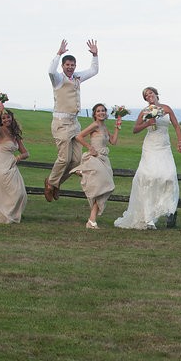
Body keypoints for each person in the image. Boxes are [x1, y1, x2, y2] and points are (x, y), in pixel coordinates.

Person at [114, 87, 181, 230]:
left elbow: (176, 125)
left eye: (150, 93)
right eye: (146, 95)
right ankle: (148, 216)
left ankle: (168, 209)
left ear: (156, 94)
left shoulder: (166, 108)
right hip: (150, 146)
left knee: (169, 176)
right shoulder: (144, 111)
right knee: (149, 177)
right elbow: (135, 129)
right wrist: (147, 123)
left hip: (164, 146)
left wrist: (180, 141)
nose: (149, 96)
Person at [45, 38, 99, 202]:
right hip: (61, 123)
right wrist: (59, 53)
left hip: (74, 123)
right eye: (67, 65)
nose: (70, 67)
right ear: (63, 66)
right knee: (64, 158)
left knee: (76, 160)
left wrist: (95, 55)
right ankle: (50, 185)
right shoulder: (58, 79)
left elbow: (93, 70)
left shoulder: (77, 77)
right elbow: (50, 71)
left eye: (72, 65)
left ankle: (55, 183)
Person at [71, 103, 121, 229]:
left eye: (103, 110)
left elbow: (113, 142)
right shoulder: (95, 125)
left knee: (104, 189)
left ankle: (91, 220)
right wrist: (89, 147)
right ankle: (83, 172)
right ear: (94, 114)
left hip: (104, 159)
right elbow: (79, 136)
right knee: (107, 185)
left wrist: (117, 127)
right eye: (98, 111)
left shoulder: (104, 126)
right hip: (95, 157)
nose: (101, 112)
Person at [0, 102, 29, 224]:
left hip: (11, 164)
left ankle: (10, 215)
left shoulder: (15, 135)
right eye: (3, 118)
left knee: (20, 193)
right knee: (5, 191)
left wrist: (18, 158)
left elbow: (26, 153)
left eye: (8, 117)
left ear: (12, 118)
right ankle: (4, 216)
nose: (6, 120)